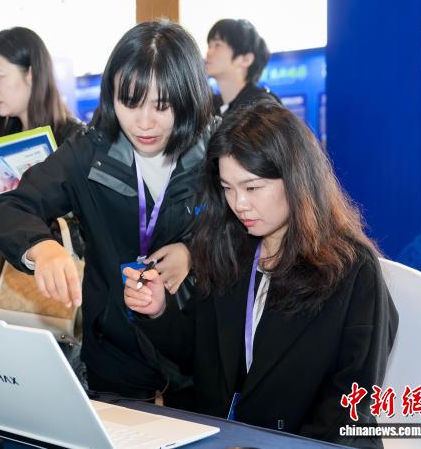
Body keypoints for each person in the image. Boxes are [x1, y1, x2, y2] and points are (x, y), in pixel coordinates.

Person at [124, 101, 398, 448]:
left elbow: (350, 404)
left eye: (252, 188)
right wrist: (158, 310)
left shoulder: (350, 268)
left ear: (297, 180)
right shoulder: (230, 249)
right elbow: (196, 355)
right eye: (227, 188)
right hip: (225, 438)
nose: (239, 203)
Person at [0, 20, 216, 405]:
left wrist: (195, 252)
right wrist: (42, 249)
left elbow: (249, 232)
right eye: (130, 102)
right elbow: (9, 207)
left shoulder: (216, 150)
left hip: (195, 348)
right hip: (115, 351)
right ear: (111, 95)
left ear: (189, 96)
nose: (144, 122)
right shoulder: (90, 152)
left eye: (162, 105)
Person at [0, 26, 84, 307]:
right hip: (2, 279)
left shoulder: (76, 140)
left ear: (31, 74)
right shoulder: (2, 137)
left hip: (52, 281)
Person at [205, 19, 278, 117]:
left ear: (246, 59)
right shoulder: (211, 108)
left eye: (217, 45)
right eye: (209, 46)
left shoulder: (262, 109)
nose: (208, 53)